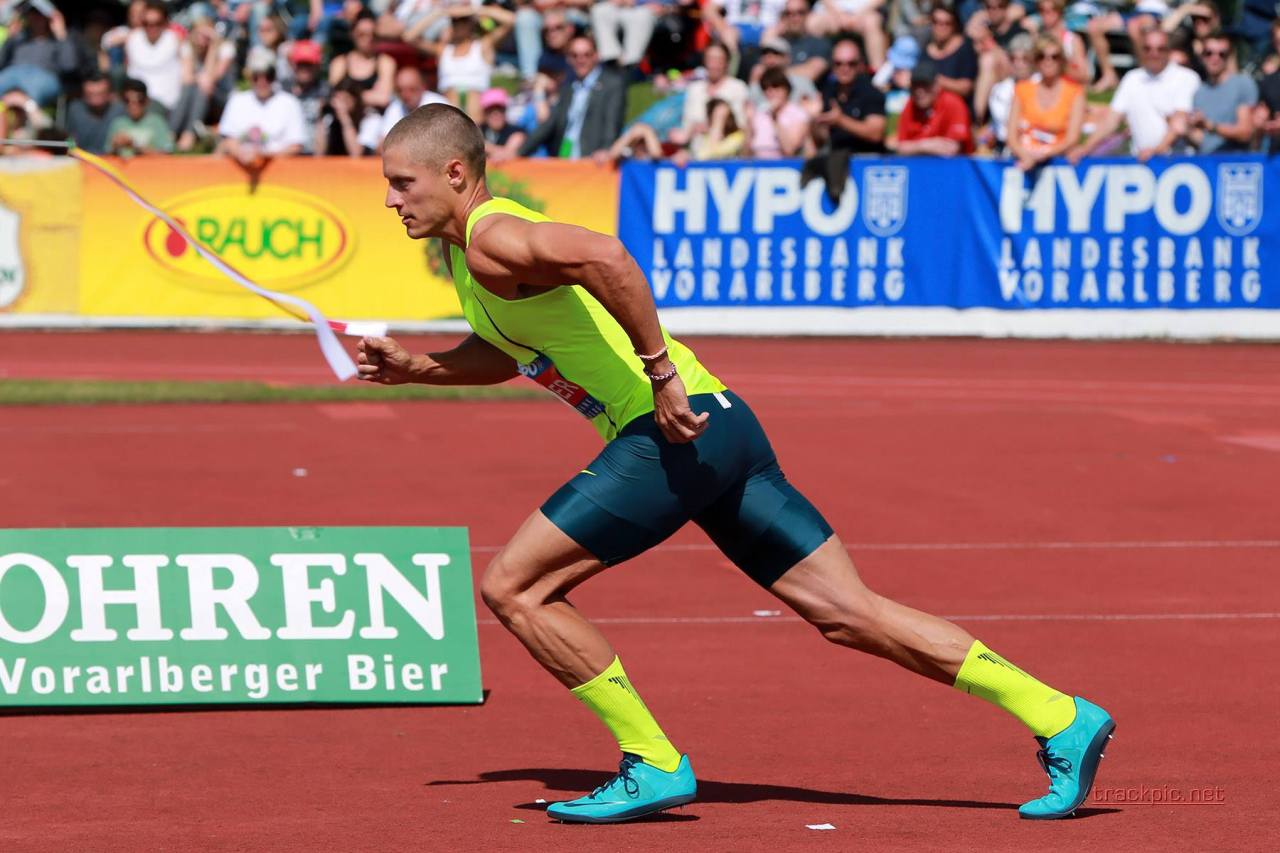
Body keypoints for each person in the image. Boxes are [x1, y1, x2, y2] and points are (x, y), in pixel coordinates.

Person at [359, 101, 1116, 824]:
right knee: (848, 613)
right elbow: (511, 350)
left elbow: (606, 256)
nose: (391, 199)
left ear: (456, 173)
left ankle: (651, 759)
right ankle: (1061, 715)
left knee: (516, 586)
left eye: (402, 181)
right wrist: (416, 368)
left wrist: (661, 375)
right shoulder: (472, 257)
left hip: (670, 432)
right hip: (722, 428)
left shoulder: (492, 236)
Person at [1069, 27, 1199, 162]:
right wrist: (1085, 148)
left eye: (1160, 49)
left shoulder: (1186, 77)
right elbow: (1111, 121)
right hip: (1141, 160)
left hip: (1177, 161)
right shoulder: (1132, 78)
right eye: (1147, 49)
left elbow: (1179, 123)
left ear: (1169, 51)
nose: (1154, 54)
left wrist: (1157, 150)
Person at [518, 34, 626, 159]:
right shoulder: (568, 88)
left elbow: (612, 122)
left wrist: (607, 149)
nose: (581, 60)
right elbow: (549, 124)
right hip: (564, 157)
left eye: (587, 55)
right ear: (568, 59)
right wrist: (518, 152)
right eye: (575, 55)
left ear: (596, 56)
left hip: (592, 159)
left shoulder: (612, 84)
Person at [411, 4, 515, 120]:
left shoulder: (482, 46)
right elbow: (410, 37)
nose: (458, 25)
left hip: (476, 121)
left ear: (470, 23)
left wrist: (475, 10)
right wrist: (440, 13)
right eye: (454, 21)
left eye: (463, 20)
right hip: (448, 121)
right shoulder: (443, 50)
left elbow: (511, 20)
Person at [1006, 35, 1084, 170]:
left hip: (1057, 161)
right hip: (1024, 159)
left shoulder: (1075, 92)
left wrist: (1044, 155)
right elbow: (1011, 137)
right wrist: (1026, 156)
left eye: (1054, 57)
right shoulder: (1022, 89)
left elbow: (1072, 138)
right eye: (1042, 56)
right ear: (1035, 61)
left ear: (1061, 61)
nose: (1048, 61)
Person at [218, 53, 308, 165]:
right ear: (250, 77)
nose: (262, 81)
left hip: (281, 174)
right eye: (256, 76)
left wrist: (264, 157)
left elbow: (296, 146)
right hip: (240, 173)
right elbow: (228, 139)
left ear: (274, 76)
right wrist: (242, 155)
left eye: (268, 76)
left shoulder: (290, 103)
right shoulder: (237, 101)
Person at [813, 36, 886, 154]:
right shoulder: (828, 91)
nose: (844, 68)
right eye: (838, 63)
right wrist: (814, 120)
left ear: (860, 65)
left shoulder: (871, 93)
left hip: (866, 160)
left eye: (851, 64)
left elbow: (876, 133)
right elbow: (822, 138)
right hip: (836, 160)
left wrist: (840, 120)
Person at [1186, 31, 1255, 153]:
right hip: (1207, 164)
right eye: (1209, 53)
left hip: (1235, 166)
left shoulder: (1242, 83)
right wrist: (1187, 129)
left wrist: (1210, 126)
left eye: (1222, 54)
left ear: (1229, 57)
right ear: (1202, 56)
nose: (1215, 58)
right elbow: (1203, 140)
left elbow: (1246, 132)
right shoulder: (1199, 92)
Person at [891, 58, 975, 154]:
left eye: (925, 85)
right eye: (915, 85)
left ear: (936, 85)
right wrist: (926, 145)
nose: (919, 91)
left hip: (955, 166)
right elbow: (899, 146)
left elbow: (952, 148)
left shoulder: (953, 103)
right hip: (919, 165)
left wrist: (914, 146)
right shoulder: (910, 104)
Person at [0, 2, 76, 106]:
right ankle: (31, 109)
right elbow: (1, 62)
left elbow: (70, 66)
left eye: (40, 14)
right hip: (13, 74)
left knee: (32, 89)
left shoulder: (58, 40)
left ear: (48, 18)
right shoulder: (18, 38)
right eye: (31, 13)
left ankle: (26, 106)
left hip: (44, 77)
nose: (36, 18)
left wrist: (61, 34)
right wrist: (10, 38)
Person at [366, 65, 449, 152]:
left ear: (423, 87)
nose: (405, 95)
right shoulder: (395, 107)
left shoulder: (439, 105)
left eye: (411, 89)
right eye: (400, 90)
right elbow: (382, 146)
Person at [328, 9, 395, 109]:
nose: (368, 39)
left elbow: (384, 98)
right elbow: (335, 98)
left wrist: (351, 97)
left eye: (372, 35)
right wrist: (371, 96)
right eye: (362, 34)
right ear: (352, 34)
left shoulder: (386, 62)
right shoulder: (339, 63)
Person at [124, 1, 182, 115]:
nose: (151, 27)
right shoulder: (132, 39)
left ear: (165, 22)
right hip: (135, 100)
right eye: (146, 23)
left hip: (165, 102)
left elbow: (187, 76)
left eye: (157, 23)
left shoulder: (176, 40)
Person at [745, 66, 812, 157]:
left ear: (786, 88)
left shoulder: (798, 114)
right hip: (757, 165)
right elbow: (745, 154)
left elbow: (789, 150)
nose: (770, 92)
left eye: (775, 86)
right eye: (766, 88)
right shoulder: (760, 113)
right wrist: (749, 124)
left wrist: (775, 118)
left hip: (784, 167)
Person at [808, 0, 887, 68]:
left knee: (872, 22)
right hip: (831, 12)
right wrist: (839, 15)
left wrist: (857, 15)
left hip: (866, 13)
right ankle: (814, 66)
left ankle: (878, 73)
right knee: (813, 23)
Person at [923, 4, 978, 103]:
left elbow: (966, 87)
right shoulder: (926, 49)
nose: (940, 27)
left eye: (947, 23)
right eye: (936, 22)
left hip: (957, 106)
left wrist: (937, 81)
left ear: (955, 25)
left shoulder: (964, 48)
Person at [106, 77, 175, 155]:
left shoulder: (157, 122)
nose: (133, 105)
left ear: (147, 101)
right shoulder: (117, 123)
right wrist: (115, 146)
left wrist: (134, 146)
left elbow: (166, 155)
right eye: (127, 100)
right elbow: (107, 157)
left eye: (139, 100)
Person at [65, 71, 125, 155]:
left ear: (110, 94)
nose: (96, 98)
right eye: (91, 94)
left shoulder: (120, 110)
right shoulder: (75, 110)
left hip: (112, 161)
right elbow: (70, 140)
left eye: (100, 94)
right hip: (82, 160)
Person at [1031, 0, 1088, 85]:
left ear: (1059, 11)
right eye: (1041, 10)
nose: (1045, 15)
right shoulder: (1036, 37)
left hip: (1064, 86)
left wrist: (1060, 63)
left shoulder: (1072, 40)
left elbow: (1084, 76)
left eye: (1050, 10)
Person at [591, 0, 658, 70]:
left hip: (640, 9)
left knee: (643, 15)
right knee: (600, 10)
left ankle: (631, 64)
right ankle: (611, 59)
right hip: (614, 8)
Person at [478, 87, 526, 163]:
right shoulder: (476, 130)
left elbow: (509, 153)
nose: (495, 114)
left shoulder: (516, 131)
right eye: (490, 110)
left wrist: (484, 146)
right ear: (484, 113)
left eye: (499, 109)